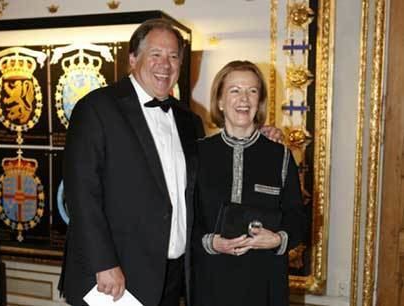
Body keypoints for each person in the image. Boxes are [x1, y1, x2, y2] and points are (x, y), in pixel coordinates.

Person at [58, 19, 204, 306]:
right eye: (156, 54)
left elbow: (206, 184)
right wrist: (104, 263)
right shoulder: (96, 108)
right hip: (115, 277)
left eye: (174, 56)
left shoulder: (190, 121)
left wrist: (257, 136)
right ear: (133, 58)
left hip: (172, 277)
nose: (166, 64)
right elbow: (81, 193)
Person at [192, 60, 306, 306]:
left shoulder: (281, 156)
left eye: (252, 91)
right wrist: (211, 242)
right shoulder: (198, 153)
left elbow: (299, 219)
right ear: (220, 101)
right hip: (211, 282)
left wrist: (277, 239)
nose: (244, 98)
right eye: (234, 90)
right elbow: (184, 219)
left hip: (265, 284)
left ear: (260, 101)